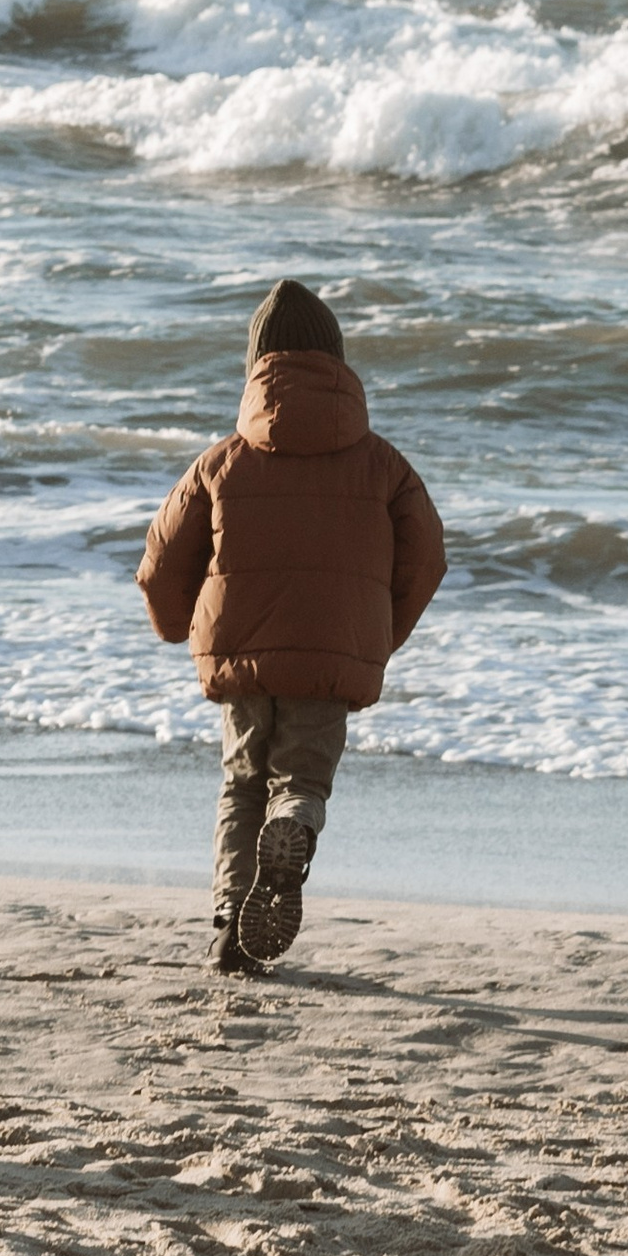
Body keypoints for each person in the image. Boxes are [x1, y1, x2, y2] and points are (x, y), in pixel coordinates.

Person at [136, 277, 445, 974]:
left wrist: (175, 626)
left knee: (242, 781)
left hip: (241, 652)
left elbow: (160, 563)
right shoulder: (384, 465)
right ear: (337, 361)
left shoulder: (221, 461)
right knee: (298, 779)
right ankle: (295, 821)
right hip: (330, 656)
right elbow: (427, 557)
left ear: (256, 364)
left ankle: (228, 927)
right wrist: (374, 636)